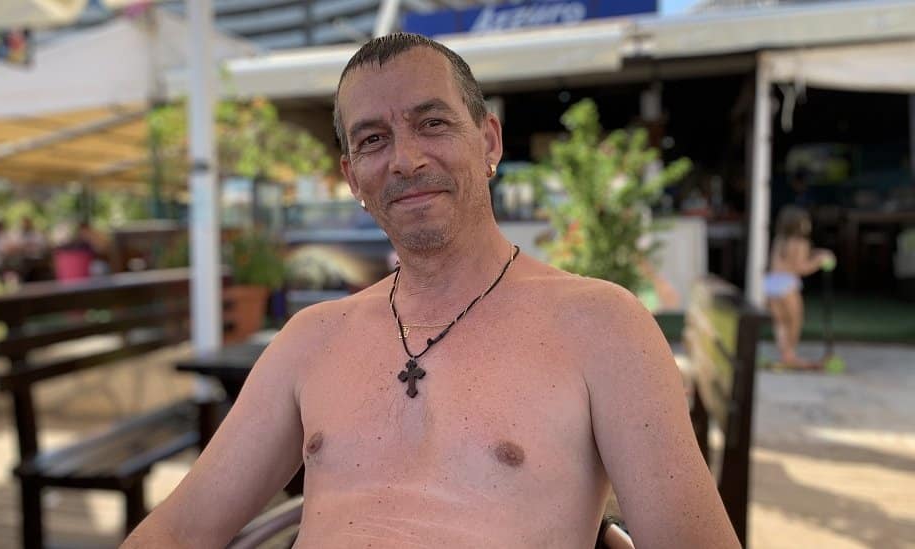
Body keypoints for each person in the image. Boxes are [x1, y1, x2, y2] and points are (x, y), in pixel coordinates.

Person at [124, 33, 738, 548]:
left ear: (489, 140)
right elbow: (179, 531)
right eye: (373, 139)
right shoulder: (311, 338)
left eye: (432, 123)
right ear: (352, 178)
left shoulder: (601, 325)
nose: (405, 159)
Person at [764, 205, 835, 370]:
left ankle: (785, 355)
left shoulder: (780, 240)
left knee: (780, 322)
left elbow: (787, 260)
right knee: (795, 320)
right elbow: (801, 268)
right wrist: (819, 261)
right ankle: (791, 355)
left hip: (771, 283)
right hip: (787, 286)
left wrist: (817, 253)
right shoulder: (801, 242)